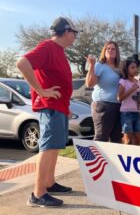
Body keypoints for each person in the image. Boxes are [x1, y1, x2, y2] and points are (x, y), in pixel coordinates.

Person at [16, 17, 78, 207]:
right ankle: (37, 194)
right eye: (74, 33)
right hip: (49, 107)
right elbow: (22, 63)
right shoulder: (48, 47)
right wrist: (41, 92)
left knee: (55, 146)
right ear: (67, 32)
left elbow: (56, 79)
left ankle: (49, 183)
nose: (75, 36)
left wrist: (65, 107)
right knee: (48, 147)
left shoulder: (59, 51)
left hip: (58, 107)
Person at [86, 41, 122, 143]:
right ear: (104, 51)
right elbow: (89, 84)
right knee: (101, 137)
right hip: (103, 106)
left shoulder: (119, 68)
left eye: (113, 49)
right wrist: (92, 66)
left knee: (116, 139)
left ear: (117, 52)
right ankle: (94, 159)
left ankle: (112, 159)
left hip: (118, 106)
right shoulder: (99, 65)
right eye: (108, 48)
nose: (110, 50)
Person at [118, 57, 140, 145]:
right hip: (126, 113)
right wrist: (131, 90)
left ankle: (138, 157)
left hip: (137, 113)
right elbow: (119, 98)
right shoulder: (123, 82)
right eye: (132, 67)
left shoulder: (139, 83)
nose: (135, 69)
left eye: (136, 67)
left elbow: (139, 98)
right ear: (126, 69)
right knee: (128, 140)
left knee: (139, 139)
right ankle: (126, 157)